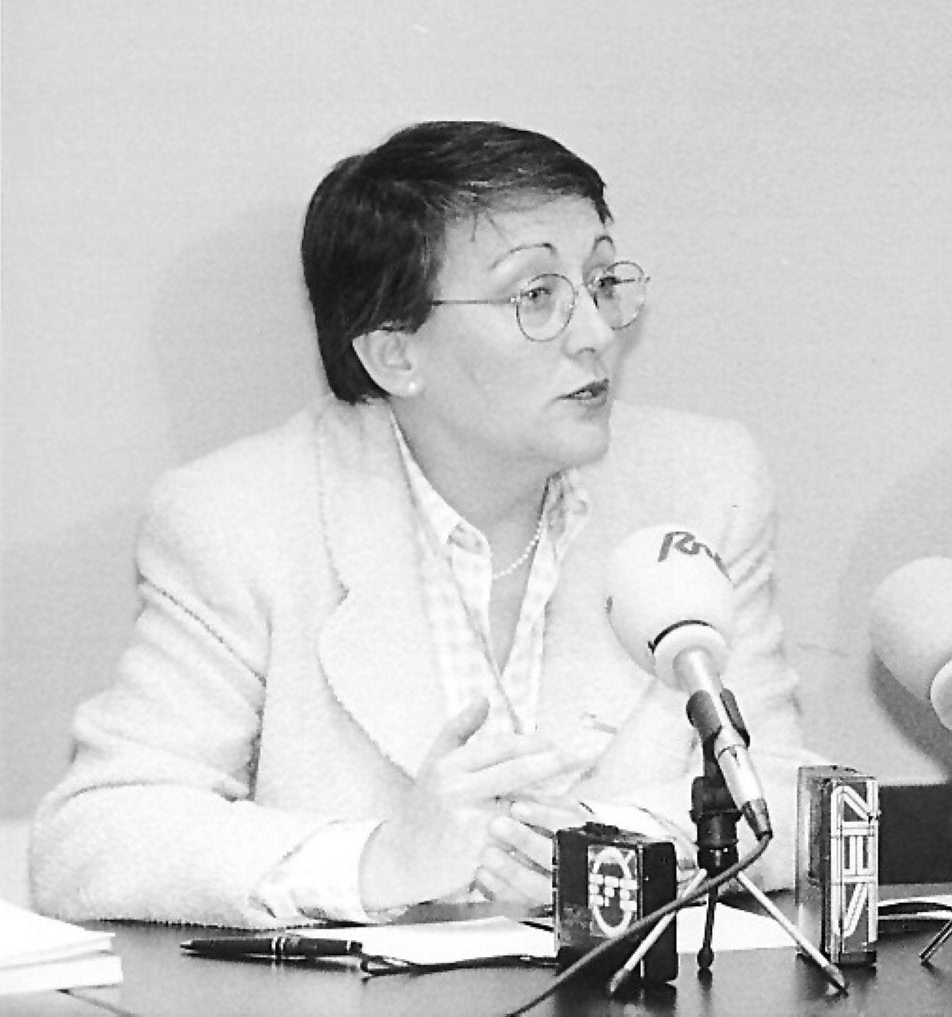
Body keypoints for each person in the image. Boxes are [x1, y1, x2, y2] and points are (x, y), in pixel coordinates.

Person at [31, 121, 812, 927]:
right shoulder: (242, 517)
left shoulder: (701, 482)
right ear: (396, 355)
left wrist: (614, 847)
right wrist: (377, 860)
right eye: (537, 295)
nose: (596, 332)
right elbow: (95, 837)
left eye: (601, 280)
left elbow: (790, 792)